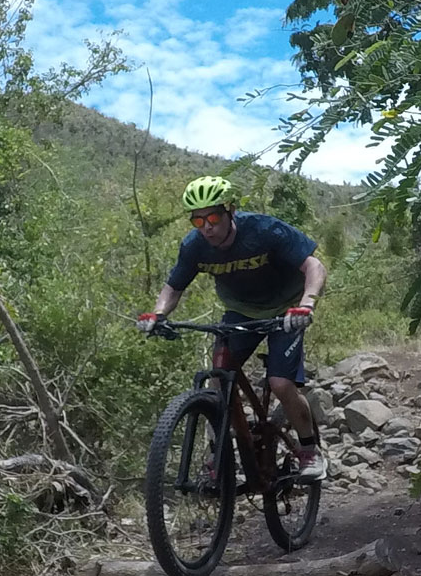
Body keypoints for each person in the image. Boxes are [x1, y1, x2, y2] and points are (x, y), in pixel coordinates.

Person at [138, 175, 329, 480]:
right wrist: (157, 314)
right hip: (240, 312)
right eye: (197, 221)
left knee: (280, 384)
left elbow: (314, 266)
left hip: (285, 310)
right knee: (218, 380)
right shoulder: (195, 246)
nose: (206, 227)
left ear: (231, 210)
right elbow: (173, 287)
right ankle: (221, 456)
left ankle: (309, 451)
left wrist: (307, 304)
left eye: (212, 217)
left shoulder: (265, 230)